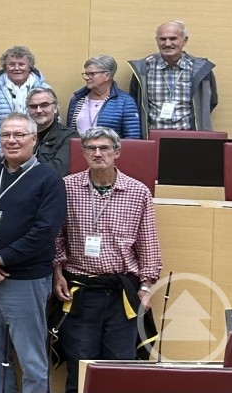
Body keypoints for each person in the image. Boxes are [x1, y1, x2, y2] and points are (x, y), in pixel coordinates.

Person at [54, 126, 162, 393]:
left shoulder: (138, 193)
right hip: (79, 292)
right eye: (91, 148)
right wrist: (57, 273)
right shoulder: (66, 187)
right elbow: (56, 237)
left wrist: (146, 288)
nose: (98, 153)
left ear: (117, 152)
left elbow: (148, 244)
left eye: (104, 148)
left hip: (121, 294)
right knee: (80, 366)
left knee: (119, 368)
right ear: (83, 153)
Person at [0, 112, 67, 393]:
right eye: (5, 135)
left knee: (31, 360)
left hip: (25, 281)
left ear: (33, 139)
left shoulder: (49, 180)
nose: (11, 141)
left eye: (18, 135)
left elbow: (44, 232)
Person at [129, 20, 219, 132]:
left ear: (184, 40)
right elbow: (134, 102)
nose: (167, 44)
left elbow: (211, 101)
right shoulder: (143, 68)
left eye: (173, 39)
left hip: (191, 136)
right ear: (156, 41)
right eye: (162, 39)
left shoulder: (201, 69)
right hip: (153, 137)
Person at [0, 45, 48, 151]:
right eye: (11, 64)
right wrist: (5, 150)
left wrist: (33, 152)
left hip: (37, 153)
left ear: (29, 67)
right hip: (0, 153)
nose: (16, 68)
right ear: (5, 67)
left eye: (21, 64)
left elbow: (52, 120)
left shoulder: (44, 88)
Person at [67, 55, 141, 139]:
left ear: (107, 76)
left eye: (91, 74)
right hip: (80, 150)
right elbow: (69, 134)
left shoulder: (126, 102)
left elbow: (132, 138)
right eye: (86, 74)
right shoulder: (77, 100)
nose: (87, 78)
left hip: (109, 151)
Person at [24, 88, 75, 177]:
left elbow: (59, 169)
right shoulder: (22, 134)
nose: (38, 110)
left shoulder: (69, 136)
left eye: (44, 105)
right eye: (33, 106)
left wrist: (24, 170)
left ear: (55, 108)